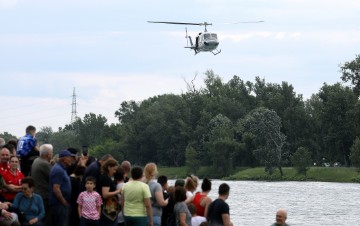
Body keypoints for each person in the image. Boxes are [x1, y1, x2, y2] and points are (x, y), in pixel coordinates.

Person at [49, 149, 76, 226]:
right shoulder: (58, 170)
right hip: (59, 205)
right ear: (64, 158)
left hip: (61, 204)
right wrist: (63, 202)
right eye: (69, 157)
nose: (71, 159)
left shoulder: (62, 168)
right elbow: (56, 188)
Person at [30, 144, 53, 226]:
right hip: (44, 196)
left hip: (38, 193)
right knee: (46, 220)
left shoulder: (36, 160)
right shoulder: (44, 164)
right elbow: (53, 177)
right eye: (51, 153)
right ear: (48, 154)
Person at [99, 159, 121, 226]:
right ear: (109, 167)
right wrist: (118, 191)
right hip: (107, 209)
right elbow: (105, 194)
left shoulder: (107, 177)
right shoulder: (106, 178)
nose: (115, 172)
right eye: (114, 169)